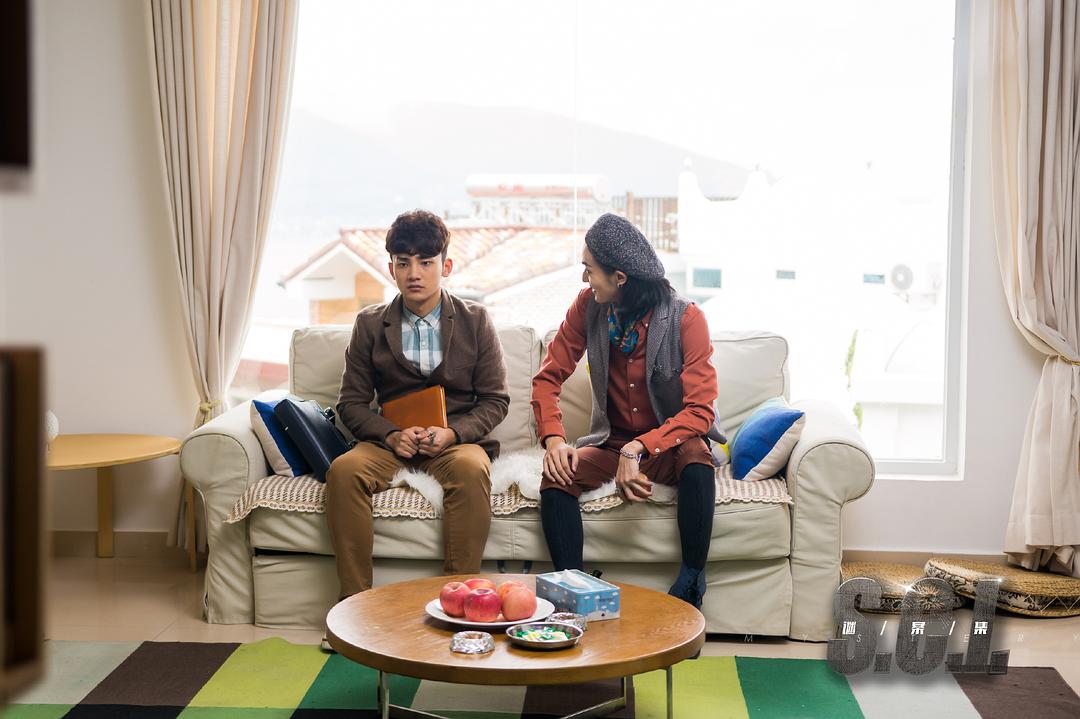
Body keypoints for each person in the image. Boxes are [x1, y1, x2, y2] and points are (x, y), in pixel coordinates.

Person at [531, 213, 724, 608]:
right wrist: (554, 441)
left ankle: (691, 580)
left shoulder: (687, 318)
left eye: (589, 270)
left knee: (697, 457)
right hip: (610, 443)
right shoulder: (588, 307)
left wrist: (637, 448)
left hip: (671, 445)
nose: (584, 278)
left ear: (619, 277)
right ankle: (573, 591)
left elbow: (700, 412)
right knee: (556, 476)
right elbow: (547, 378)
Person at [326, 210, 510, 602]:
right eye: (403, 263)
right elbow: (351, 403)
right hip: (390, 444)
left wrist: (453, 433)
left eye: (426, 263)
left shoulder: (476, 320)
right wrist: (391, 435)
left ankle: (460, 601)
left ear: (446, 266)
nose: (414, 273)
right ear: (390, 268)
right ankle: (353, 605)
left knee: (472, 468)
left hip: (454, 443)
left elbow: (495, 400)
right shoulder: (370, 324)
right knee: (343, 471)